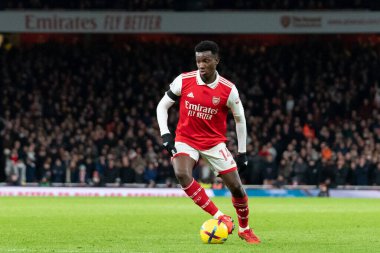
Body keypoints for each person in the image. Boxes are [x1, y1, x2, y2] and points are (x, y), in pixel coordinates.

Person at [156, 40, 260, 244]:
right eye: (198, 61)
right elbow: (162, 106)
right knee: (181, 173)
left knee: (237, 188)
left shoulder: (228, 89)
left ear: (216, 60)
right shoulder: (184, 81)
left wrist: (242, 152)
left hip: (214, 143)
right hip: (186, 139)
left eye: (206, 60)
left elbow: (240, 119)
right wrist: (166, 135)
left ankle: (244, 229)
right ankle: (220, 216)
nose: (201, 65)